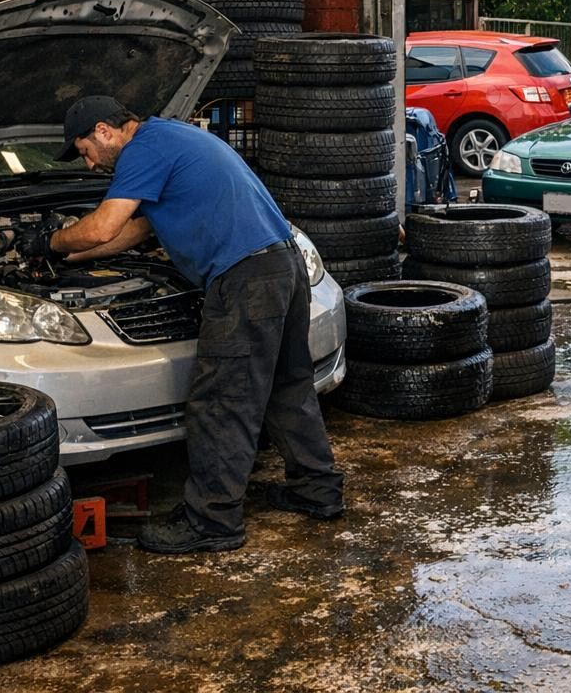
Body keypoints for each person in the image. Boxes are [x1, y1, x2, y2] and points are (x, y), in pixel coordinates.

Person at [26, 95, 344, 552]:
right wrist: (63, 259)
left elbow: (101, 226)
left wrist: (52, 242)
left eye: (85, 151)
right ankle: (316, 490)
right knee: (286, 387)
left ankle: (212, 521)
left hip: (245, 279)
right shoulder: (171, 137)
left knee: (220, 401)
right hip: (282, 265)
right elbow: (130, 233)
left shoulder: (141, 151)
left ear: (104, 131)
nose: (90, 164)